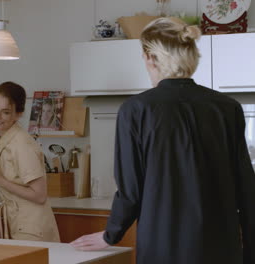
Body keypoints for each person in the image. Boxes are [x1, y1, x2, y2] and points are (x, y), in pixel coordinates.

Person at [70, 17, 255, 264]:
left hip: (163, 246)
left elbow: (130, 191)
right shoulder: (227, 109)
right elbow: (247, 188)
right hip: (221, 246)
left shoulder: (135, 110)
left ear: (149, 57)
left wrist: (110, 235)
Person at [0, 81, 60, 242]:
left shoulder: (21, 144)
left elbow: (39, 195)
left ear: (18, 114)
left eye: (5, 112)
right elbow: (19, 187)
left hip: (33, 230)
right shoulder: (4, 137)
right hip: (23, 225)